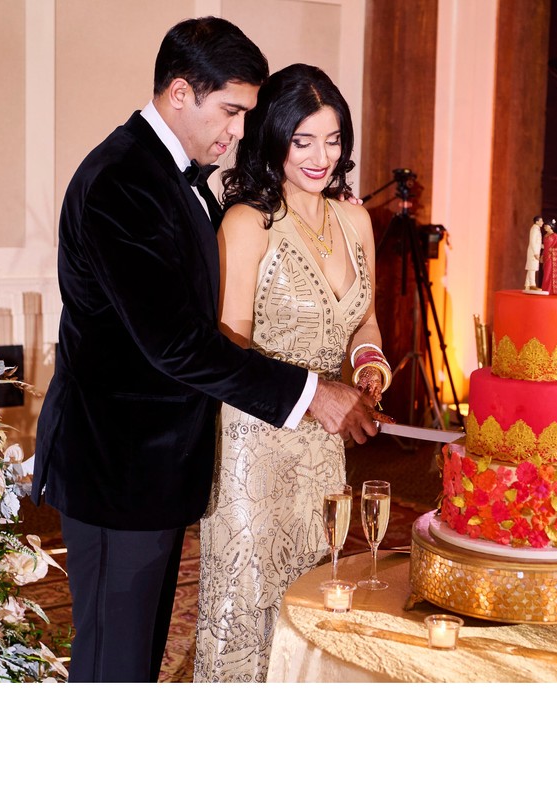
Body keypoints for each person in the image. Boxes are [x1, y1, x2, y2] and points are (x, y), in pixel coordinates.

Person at [32, 19, 381, 683]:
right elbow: (177, 343)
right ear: (181, 93)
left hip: (153, 467)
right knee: (114, 665)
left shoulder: (168, 172)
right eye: (231, 111)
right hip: (118, 463)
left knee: (132, 657)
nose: (239, 132)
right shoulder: (121, 182)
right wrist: (314, 391)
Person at [195, 64, 388, 682]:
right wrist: (313, 393)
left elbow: (366, 321)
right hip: (256, 449)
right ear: (273, 139)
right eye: (303, 140)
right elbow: (227, 348)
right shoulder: (247, 224)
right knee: (247, 609)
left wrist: (369, 365)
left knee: (312, 603)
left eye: (333, 141)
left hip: (325, 451)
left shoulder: (355, 221)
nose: (321, 156)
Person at [540, 219, 557, 294]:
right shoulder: (545, 236)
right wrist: (542, 255)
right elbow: (545, 247)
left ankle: (550, 290)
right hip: (546, 257)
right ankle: (546, 289)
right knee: (546, 273)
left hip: (551, 258)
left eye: (546, 225)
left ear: (551, 226)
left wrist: (553, 250)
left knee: (549, 272)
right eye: (544, 225)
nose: (544, 227)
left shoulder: (554, 236)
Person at [525, 215, 543, 290]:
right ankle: (532, 285)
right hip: (533, 252)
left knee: (531, 268)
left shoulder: (537, 229)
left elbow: (537, 242)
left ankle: (527, 284)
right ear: (537, 221)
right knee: (532, 268)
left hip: (535, 251)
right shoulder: (534, 229)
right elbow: (532, 241)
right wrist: (535, 253)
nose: (542, 222)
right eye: (541, 221)